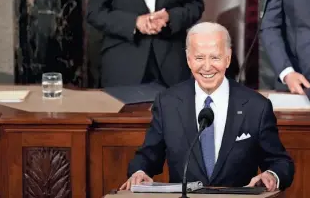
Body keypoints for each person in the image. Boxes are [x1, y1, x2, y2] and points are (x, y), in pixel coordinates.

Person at [120, 22, 295, 191]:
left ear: (227, 58)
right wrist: (140, 172)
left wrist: (271, 174)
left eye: (215, 57)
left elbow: (280, 163)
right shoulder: (168, 103)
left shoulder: (256, 106)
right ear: (189, 60)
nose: (207, 66)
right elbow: (147, 156)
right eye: (199, 58)